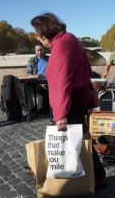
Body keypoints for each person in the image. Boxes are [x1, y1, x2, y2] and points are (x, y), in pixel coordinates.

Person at [30, 12, 106, 188]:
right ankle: (96, 176)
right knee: (79, 139)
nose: (38, 39)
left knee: (73, 140)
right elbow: (86, 69)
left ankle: (59, 172)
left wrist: (61, 113)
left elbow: (61, 80)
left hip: (72, 102)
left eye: (37, 34)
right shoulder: (69, 38)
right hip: (79, 98)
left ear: (44, 31)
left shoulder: (62, 44)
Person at [26, 42, 49, 113]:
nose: (39, 52)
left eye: (41, 50)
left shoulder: (50, 59)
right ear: (35, 51)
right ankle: (31, 109)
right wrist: (37, 76)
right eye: (37, 50)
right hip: (35, 83)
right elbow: (29, 75)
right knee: (25, 89)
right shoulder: (31, 60)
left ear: (43, 50)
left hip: (47, 83)